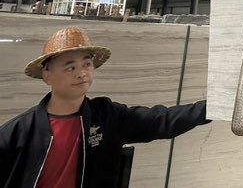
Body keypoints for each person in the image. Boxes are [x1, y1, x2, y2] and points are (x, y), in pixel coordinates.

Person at [0, 26, 211, 188]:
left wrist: (215, 107)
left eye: (87, 64)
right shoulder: (19, 132)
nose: (82, 73)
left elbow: (162, 120)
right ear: (47, 75)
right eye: (70, 67)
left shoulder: (107, 116)